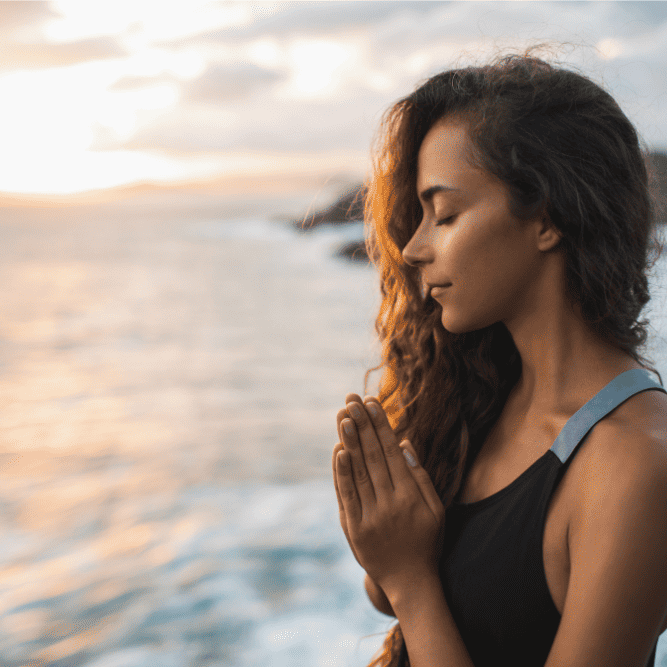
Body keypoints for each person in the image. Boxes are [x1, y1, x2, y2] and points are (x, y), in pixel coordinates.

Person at [331, 46, 667, 667]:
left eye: (445, 214)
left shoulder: (633, 465)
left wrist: (411, 580)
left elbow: (408, 590)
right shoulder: (478, 389)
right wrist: (385, 538)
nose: (411, 248)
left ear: (545, 217)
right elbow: (391, 592)